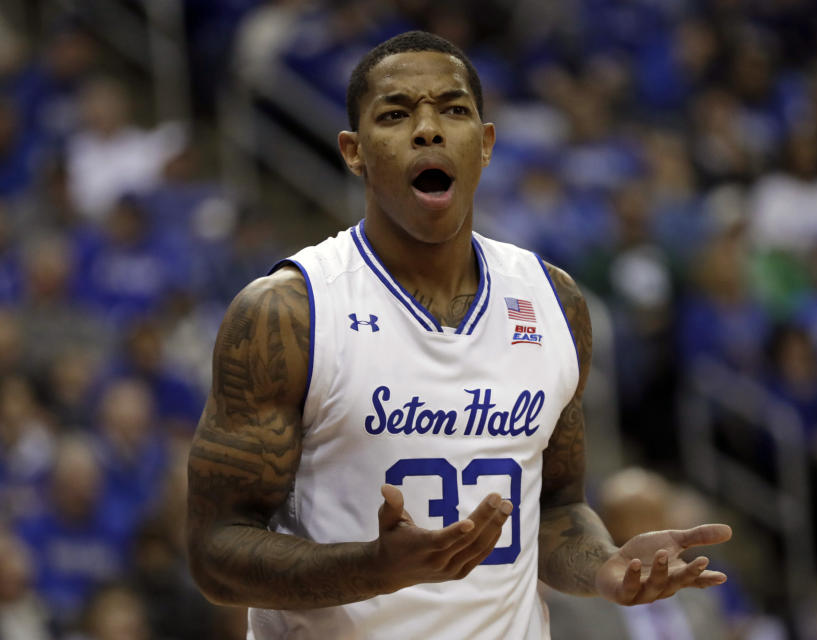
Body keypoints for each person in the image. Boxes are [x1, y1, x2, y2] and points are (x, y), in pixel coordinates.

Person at [186, 30, 732, 639]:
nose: (428, 129)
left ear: (486, 143)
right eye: (395, 114)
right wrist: (371, 568)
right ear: (353, 150)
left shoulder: (554, 302)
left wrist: (605, 567)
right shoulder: (288, 312)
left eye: (453, 109)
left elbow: (556, 508)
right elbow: (215, 555)